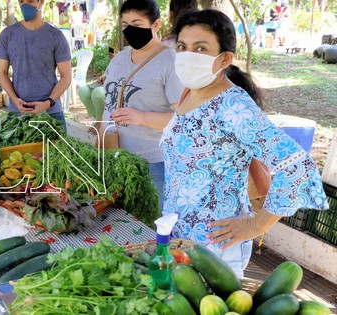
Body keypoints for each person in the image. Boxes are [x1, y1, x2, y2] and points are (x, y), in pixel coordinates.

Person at [162, 9, 328, 277]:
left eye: (200, 48)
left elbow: (298, 168)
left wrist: (256, 225)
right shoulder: (189, 92)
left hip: (215, 246)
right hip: (180, 238)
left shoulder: (234, 107)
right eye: (182, 47)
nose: (187, 55)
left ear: (225, 58)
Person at [98, 0, 183, 211]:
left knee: (152, 224)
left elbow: (185, 119)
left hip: (153, 164)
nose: (130, 30)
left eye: (137, 23)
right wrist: (100, 138)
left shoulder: (170, 63)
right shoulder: (118, 58)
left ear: (155, 25)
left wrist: (141, 117)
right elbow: (109, 103)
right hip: (115, 156)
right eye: (125, 24)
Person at [0, 0, 72, 128]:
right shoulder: (7, 35)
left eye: (30, 1)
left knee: (56, 149)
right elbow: (2, 73)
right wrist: (14, 100)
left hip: (51, 114)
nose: (24, 5)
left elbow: (66, 77)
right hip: (17, 114)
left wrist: (47, 103)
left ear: (41, 2)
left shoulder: (56, 36)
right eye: (21, 1)